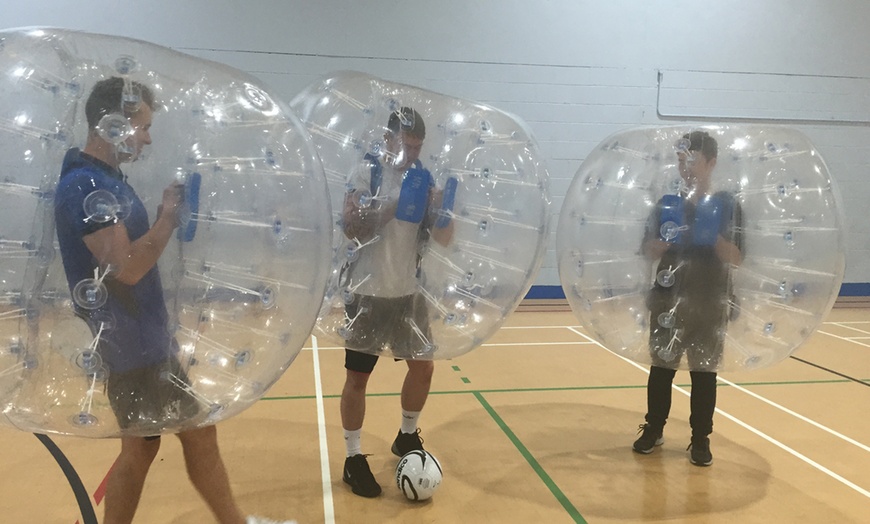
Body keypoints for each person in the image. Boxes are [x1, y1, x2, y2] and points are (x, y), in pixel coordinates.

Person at [54, 77, 292, 524]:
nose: (147, 137)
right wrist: (168, 217)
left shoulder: (102, 178)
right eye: (141, 127)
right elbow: (127, 267)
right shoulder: (85, 185)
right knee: (186, 438)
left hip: (141, 343)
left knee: (147, 449)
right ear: (111, 125)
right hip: (131, 349)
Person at [338, 107, 455, 497]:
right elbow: (352, 231)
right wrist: (395, 204)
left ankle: (406, 435)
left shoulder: (424, 176)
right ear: (388, 140)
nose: (412, 154)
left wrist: (440, 211)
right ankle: (353, 458)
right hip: (368, 290)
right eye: (406, 146)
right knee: (358, 379)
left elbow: (445, 240)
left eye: (418, 147)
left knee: (423, 369)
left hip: (408, 290)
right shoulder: (365, 172)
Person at [632, 130, 743, 466]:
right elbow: (646, 251)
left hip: (710, 301)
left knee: (704, 373)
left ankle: (700, 438)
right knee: (661, 369)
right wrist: (664, 240)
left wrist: (714, 239)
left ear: (711, 162)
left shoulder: (727, 206)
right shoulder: (668, 204)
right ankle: (653, 428)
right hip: (667, 299)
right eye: (682, 161)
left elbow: (738, 257)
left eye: (693, 161)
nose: (687, 168)